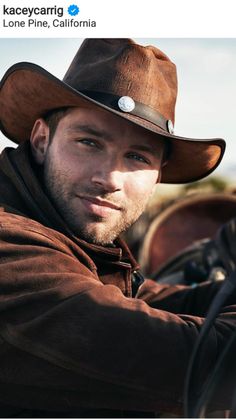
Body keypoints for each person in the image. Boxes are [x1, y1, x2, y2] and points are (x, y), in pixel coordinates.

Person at [0, 38, 235, 418]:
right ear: (42, 141)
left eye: (137, 156)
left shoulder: (72, 238)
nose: (110, 178)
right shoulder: (9, 242)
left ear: (157, 175)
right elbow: (198, 365)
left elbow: (144, 299)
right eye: (89, 142)